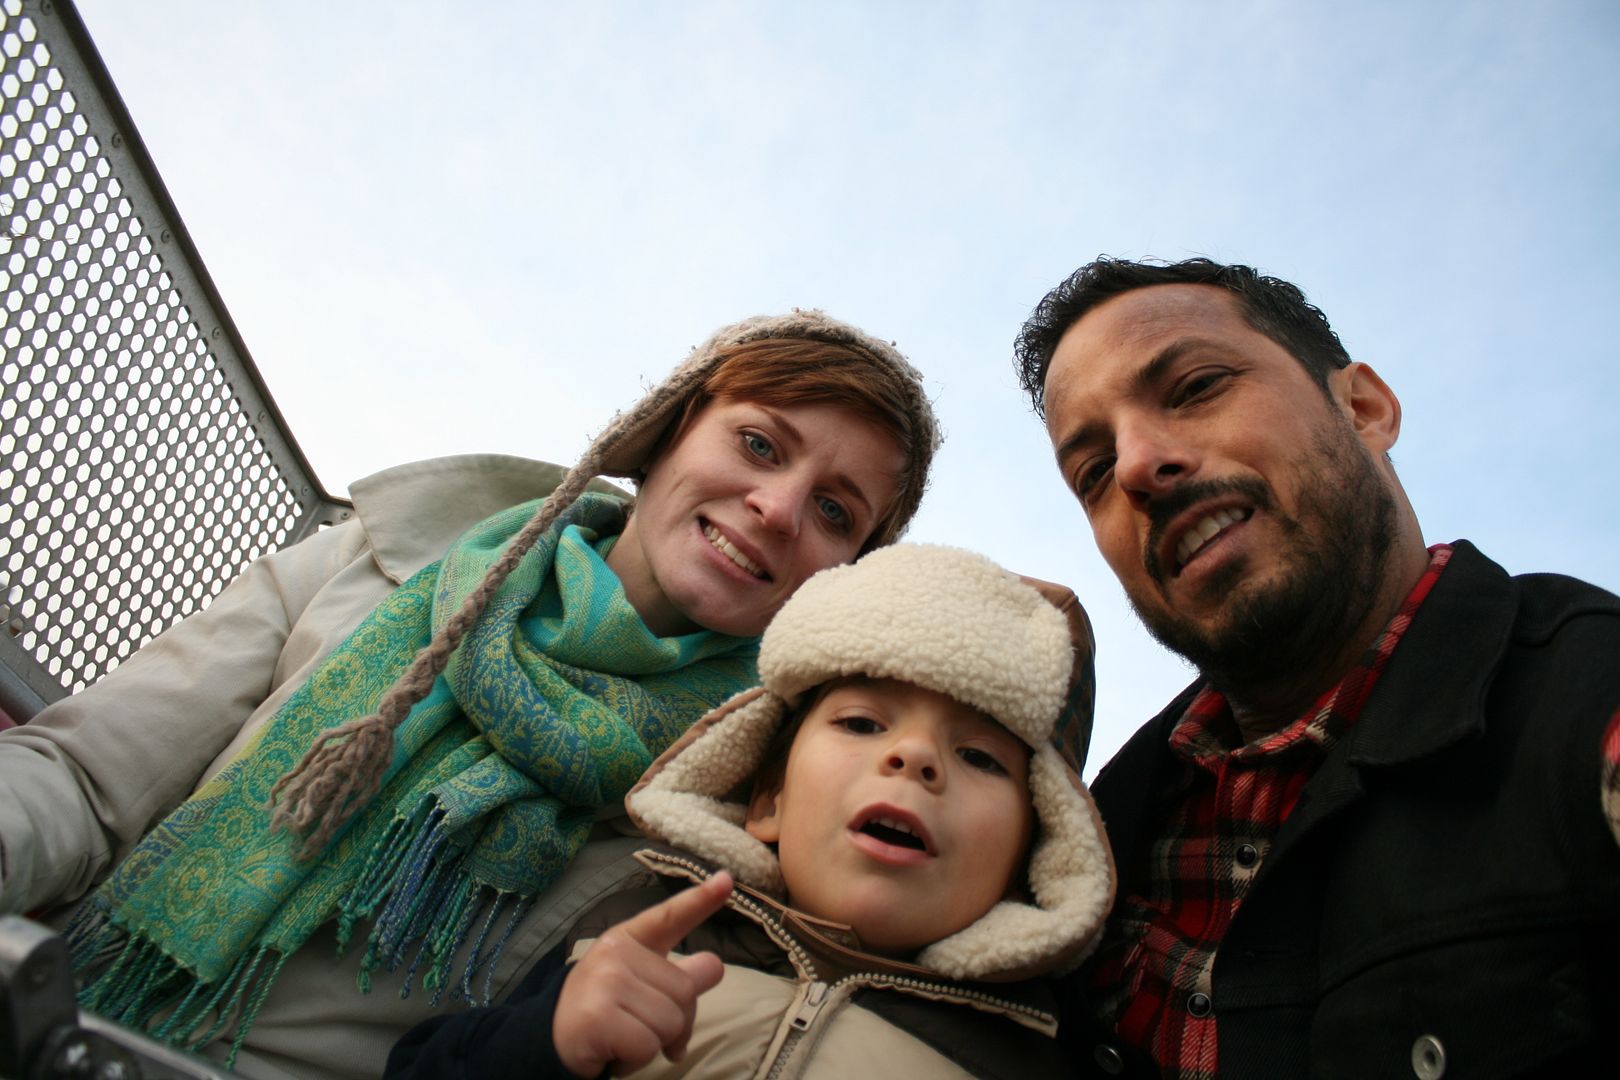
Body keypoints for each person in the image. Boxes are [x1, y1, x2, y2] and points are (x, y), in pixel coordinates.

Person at [0, 310, 941, 1080]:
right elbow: (84, 779)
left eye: (835, 511)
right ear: (663, 432)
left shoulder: (745, 797)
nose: (778, 508)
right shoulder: (375, 559)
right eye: (758, 443)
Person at [1013, 256, 1620, 1078]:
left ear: (1364, 408)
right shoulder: (1081, 858)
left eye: (1195, 388)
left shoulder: (1587, 694)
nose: (1134, 466)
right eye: (1092, 472)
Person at [384, 542, 1117, 1080]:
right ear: (767, 799)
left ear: (1031, 857)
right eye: (862, 723)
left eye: (981, 758)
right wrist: (544, 1045)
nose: (916, 757)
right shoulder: (631, 938)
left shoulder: (1047, 1054)